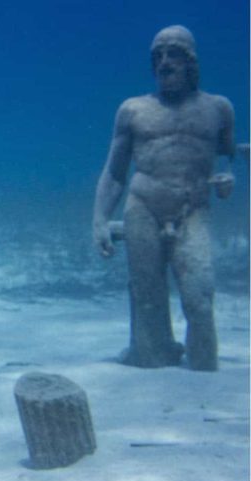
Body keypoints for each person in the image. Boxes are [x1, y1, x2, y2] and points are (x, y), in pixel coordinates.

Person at [92, 25, 235, 371]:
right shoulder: (133, 110)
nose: (165, 62)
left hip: (192, 211)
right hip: (143, 208)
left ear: (191, 61)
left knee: (200, 296)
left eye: (173, 54)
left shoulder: (219, 109)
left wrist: (229, 179)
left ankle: (201, 364)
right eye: (158, 56)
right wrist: (99, 219)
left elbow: (228, 155)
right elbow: (114, 172)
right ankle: (152, 354)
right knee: (148, 298)